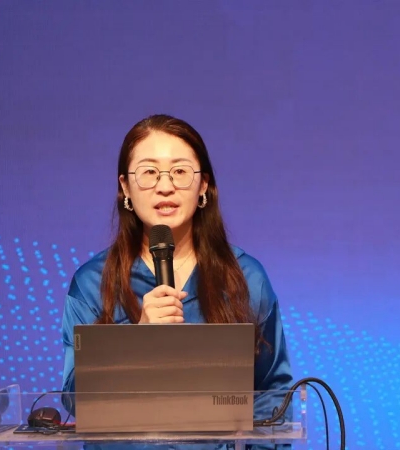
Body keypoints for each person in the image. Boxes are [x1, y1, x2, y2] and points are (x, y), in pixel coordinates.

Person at [61, 114, 293, 449]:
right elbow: (75, 399)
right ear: (125, 187)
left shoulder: (246, 278)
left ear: (203, 186)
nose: (165, 186)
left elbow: (273, 395)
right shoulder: (92, 283)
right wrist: (135, 341)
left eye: (180, 171)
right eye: (149, 172)